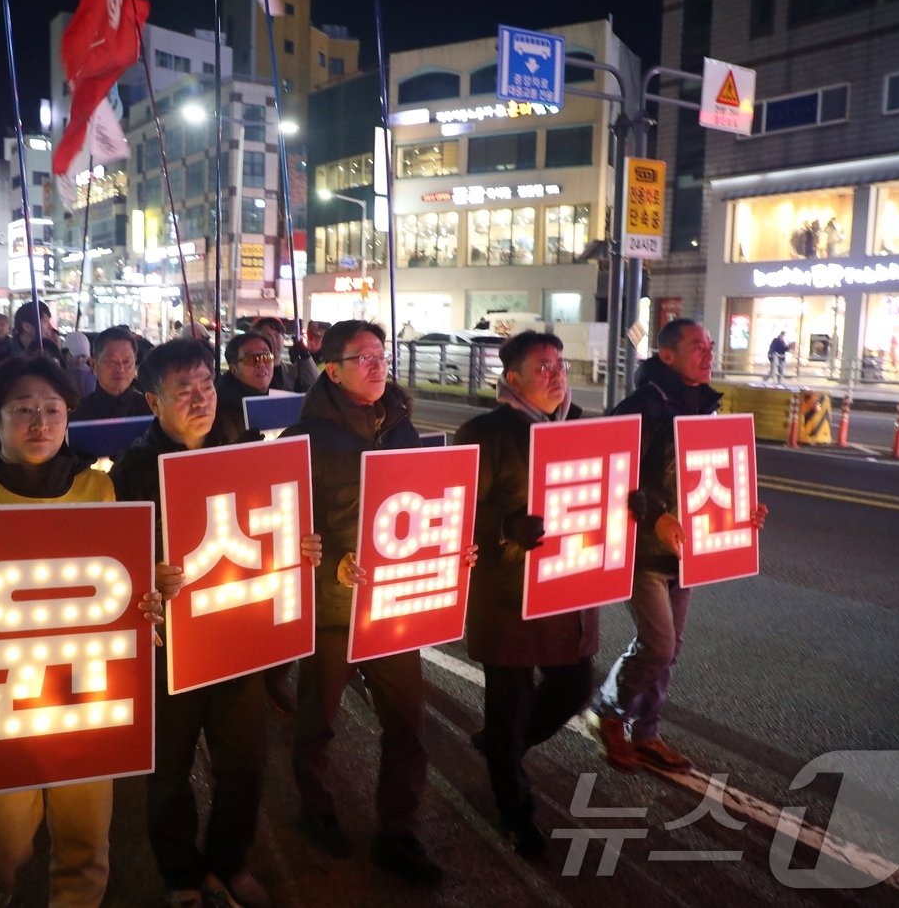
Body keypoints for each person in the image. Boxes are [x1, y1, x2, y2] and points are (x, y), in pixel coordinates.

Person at [0, 356, 163, 908]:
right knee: (2, 847)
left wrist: (147, 607)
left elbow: (127, 587)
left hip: (88, 699)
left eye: (52, 410)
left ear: (68, 418)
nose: (39, 423)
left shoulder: (100, 489)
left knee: (87, 838)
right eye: (23, 411)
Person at [110, 340, 320, 908]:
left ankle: (229, 862)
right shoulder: (131, 470)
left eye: (206, 383)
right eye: (184, 390)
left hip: (235, 636)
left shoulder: (247, 446)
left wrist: (301, 541)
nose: (200, 397)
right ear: (154, 401)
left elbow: (280, 519)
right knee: (169, 773)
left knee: (245, 764)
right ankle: (180, 874)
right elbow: (118, 564)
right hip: (170, 651)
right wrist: (148, 574)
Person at [280, 320, 472, 886]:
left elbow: (423, 501)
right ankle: (315, 809)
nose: (377, 364)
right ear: (331, 369)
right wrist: (332, 558)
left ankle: (399, 833)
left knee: (408, 727)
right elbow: (288, 529)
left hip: (392, 608)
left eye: (381, 354)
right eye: (362, 356)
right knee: (318, 720)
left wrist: (452, 546)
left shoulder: (400, 426)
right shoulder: (304, 440)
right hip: (333, 610)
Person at [592, 319, 769, 774]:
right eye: (697, 345)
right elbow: (611, 478)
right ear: (666, 355)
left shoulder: (704, 409)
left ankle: (648, 734)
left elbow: (711, 479)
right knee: (657, 644)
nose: (708, 353)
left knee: (670, 649)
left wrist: (742, 510)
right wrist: (655, 516)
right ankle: (610, 714)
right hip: (643, 551)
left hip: (688, 552)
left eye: (710, 346)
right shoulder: (640, 408)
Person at [453, 332, 600, 858]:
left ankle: (501, 747)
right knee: (509, 705)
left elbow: (605, 488)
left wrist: (633, 502)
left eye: (559, 364)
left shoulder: (581, 426)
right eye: (543, 366)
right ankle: (516, 812)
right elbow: (462, 508)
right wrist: (506, 526)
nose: (556, 373)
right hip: (508, 594)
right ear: (512, 379)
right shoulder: (485, 433)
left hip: (567, 589)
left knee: (576, 685)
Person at [66, 327, 152, 422]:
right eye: (112, 361)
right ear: (93, 365)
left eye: (127, 361)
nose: (120, 369)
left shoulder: (152, 410)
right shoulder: (76, 416)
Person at [212, 331, 274, 445]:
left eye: (267, 357)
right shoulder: (216, 410)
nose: (261, 364)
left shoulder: (282, 396)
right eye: (251, 359)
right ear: (234, 369)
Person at [252, 316, 318, 393]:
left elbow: (315, 388)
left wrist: (305, 358)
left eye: (277, 335)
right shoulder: (250, 370)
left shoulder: (293, 372)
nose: (273, 341)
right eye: (268, 336)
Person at [63, 331, 97, 397]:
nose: (80, 359)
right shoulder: (59, 373)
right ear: (65, 353)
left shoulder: (92, 374)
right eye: (76, 356)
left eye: (83, 356)